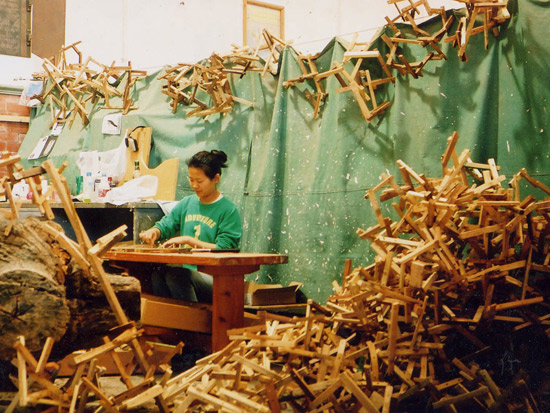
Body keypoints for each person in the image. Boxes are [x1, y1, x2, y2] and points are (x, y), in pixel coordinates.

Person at [139, 150, 242, 302]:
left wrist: (190, 241)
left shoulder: (228, 210)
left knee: (177, 276)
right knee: (157, 274)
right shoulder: (187, 203)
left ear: (216, 178)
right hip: (188, 272)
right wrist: (155, 231)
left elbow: (225, 249)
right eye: (191, 179)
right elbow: (167, 224)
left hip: (217, 279)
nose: (194, 185)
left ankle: (191, 321)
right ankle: (166, 320)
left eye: (199, 181)